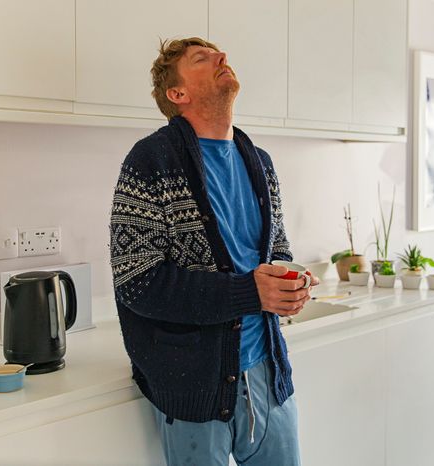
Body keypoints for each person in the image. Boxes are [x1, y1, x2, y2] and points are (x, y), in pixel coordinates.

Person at [109, 37, 318, 466]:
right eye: (202, 59)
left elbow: (276, 249)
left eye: (220, 53)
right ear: (177, 94)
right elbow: (138, 282)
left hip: (267, 373)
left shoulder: (259, 161)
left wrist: (287, 286)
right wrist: (250, 293)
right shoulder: (151, 160)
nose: (223, 58)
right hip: (193, 387)